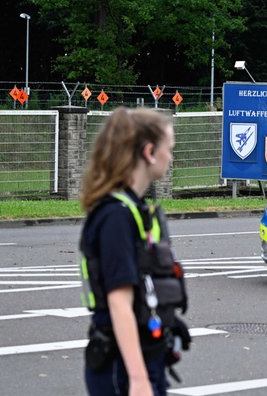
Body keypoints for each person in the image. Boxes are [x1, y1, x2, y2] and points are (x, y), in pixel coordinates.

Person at [78, 107, 189, 396]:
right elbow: (119, 301)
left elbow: (142, 281)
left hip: (142, 356)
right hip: (122, 369)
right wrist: (139, 380)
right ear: (150, 152)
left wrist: (167, 321)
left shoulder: (132, 209)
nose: (171, 156)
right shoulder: (115, 216)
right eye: (170, 149)